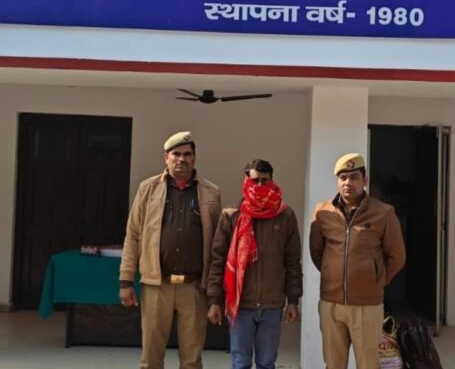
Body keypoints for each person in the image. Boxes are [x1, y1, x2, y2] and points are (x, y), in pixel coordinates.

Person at [119, 131, 221, 369]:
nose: (181, 159)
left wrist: (215, 292)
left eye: (187, 154)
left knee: (192, 360)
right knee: (151, 359)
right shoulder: (148, 189)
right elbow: (133, 235)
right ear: (166, 157)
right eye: (176, 154)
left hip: (194, 287)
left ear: (194, 157)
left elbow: (217, 245)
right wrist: (125, 280)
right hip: (157, 285)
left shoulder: (211, 192)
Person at [310, 152, 406, 369]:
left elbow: (397, 256)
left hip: (367, 305)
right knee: (333, 363)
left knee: (368, 364)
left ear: (365, 180)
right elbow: (317, 252)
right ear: (337, 181)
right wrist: (330, 272)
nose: (348, 183)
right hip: (331, 304)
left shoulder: (383, 213)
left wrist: (376, 280)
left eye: (354, 177)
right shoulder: (322, 212)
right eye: (343, 177)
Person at [207, 159, 303, 369]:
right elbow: (218, 260)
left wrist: (293, 300)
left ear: (272, 181)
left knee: (267, 363)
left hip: (272, 306)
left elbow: (293, 262)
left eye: (264, 181)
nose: (260, 185)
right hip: (240, 305)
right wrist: (214, 300)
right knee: (240, 363)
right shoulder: (232, 214)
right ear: (246, 182)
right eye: (255, 181)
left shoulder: (285, 216)